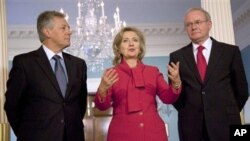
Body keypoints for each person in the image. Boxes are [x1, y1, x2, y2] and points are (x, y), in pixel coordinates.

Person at [4, 10, 88, 141]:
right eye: (63, 28)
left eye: (68, 28)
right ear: (47, 32)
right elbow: (12, 105)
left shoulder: (79, 64)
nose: (69, 32)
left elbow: (80, 104)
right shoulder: (25, 63)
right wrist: (26, 133)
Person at [169, 7, 249, 141]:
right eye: (189, 24)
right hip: (191, 128)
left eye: (198, 22)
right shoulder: (177, 57)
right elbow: (176, 98)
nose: (193, 27)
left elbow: (242, 91)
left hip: (227, 125)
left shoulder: (230, 52)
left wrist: (225, 112)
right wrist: (177, 84)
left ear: (209, 24)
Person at [94, 26, 182, 141]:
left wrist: (176, 83)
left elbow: (168, 98)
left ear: (140, 48)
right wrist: (102, 89)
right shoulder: (111, 73)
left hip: (154, 133)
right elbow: (102, 107)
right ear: (118, 49)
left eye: (135, 40)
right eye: (125, 41)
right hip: (121, 134)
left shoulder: (153, 71)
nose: (131, 44)